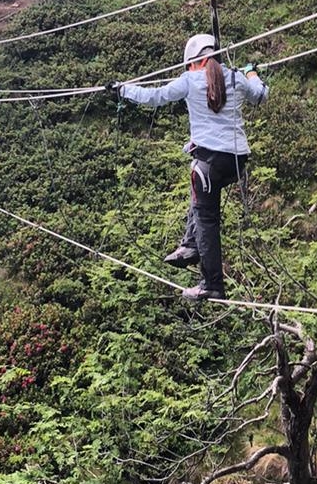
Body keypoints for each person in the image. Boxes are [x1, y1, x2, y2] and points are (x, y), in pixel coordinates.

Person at [112, 35, 268, 301]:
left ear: (198, 61)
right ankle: (189, 245)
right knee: (199, 202)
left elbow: (155, 96)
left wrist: (122, 89)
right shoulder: (235, 77)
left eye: (190, 65)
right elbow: (261, 96)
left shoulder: (190, 80)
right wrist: (251, 73)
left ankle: (211, 284)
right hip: (237, 161)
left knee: (207, 220)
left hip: (209, 161)